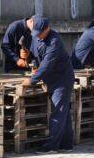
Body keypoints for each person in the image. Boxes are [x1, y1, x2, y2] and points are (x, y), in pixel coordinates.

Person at [22, 15, 74, 154]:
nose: (37, 36)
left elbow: (46, 65)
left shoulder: (54, 41)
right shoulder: (37, 36)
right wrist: (27, 55)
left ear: (47, 29)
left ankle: (51, 147)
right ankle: (66, 145)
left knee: (58, 113)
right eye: (35, 33)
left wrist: (32, 80)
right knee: (63, 113)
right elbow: (35, 53)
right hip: (51, 80)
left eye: (40, 33)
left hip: (62, 80)